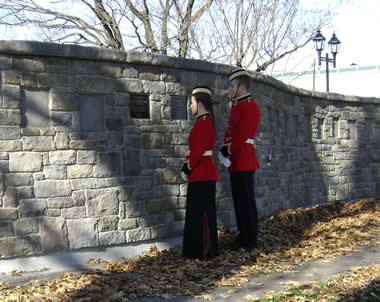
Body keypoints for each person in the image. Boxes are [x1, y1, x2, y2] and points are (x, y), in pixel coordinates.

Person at [218, 68, 261, 252]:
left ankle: (250, 240)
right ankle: (244, 235)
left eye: (232, 85)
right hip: (237, 158)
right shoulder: (239, 105)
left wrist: (226, 150)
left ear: (242, 86)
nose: (229, 89)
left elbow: (242, 136)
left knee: (246, 201)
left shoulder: (249, 105)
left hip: (243, 157)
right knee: (239, 200)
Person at [181, 86, 220, 260]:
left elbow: (198, 150)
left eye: (192, 102)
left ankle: (202, 250)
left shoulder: (204, 122)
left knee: (201, 213)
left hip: (202, 173)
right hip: (201, 172)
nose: (190, 106)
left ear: (200, 102)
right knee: (198, 212)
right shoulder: (202, 121)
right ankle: (198, 249)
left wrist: (187, 167)